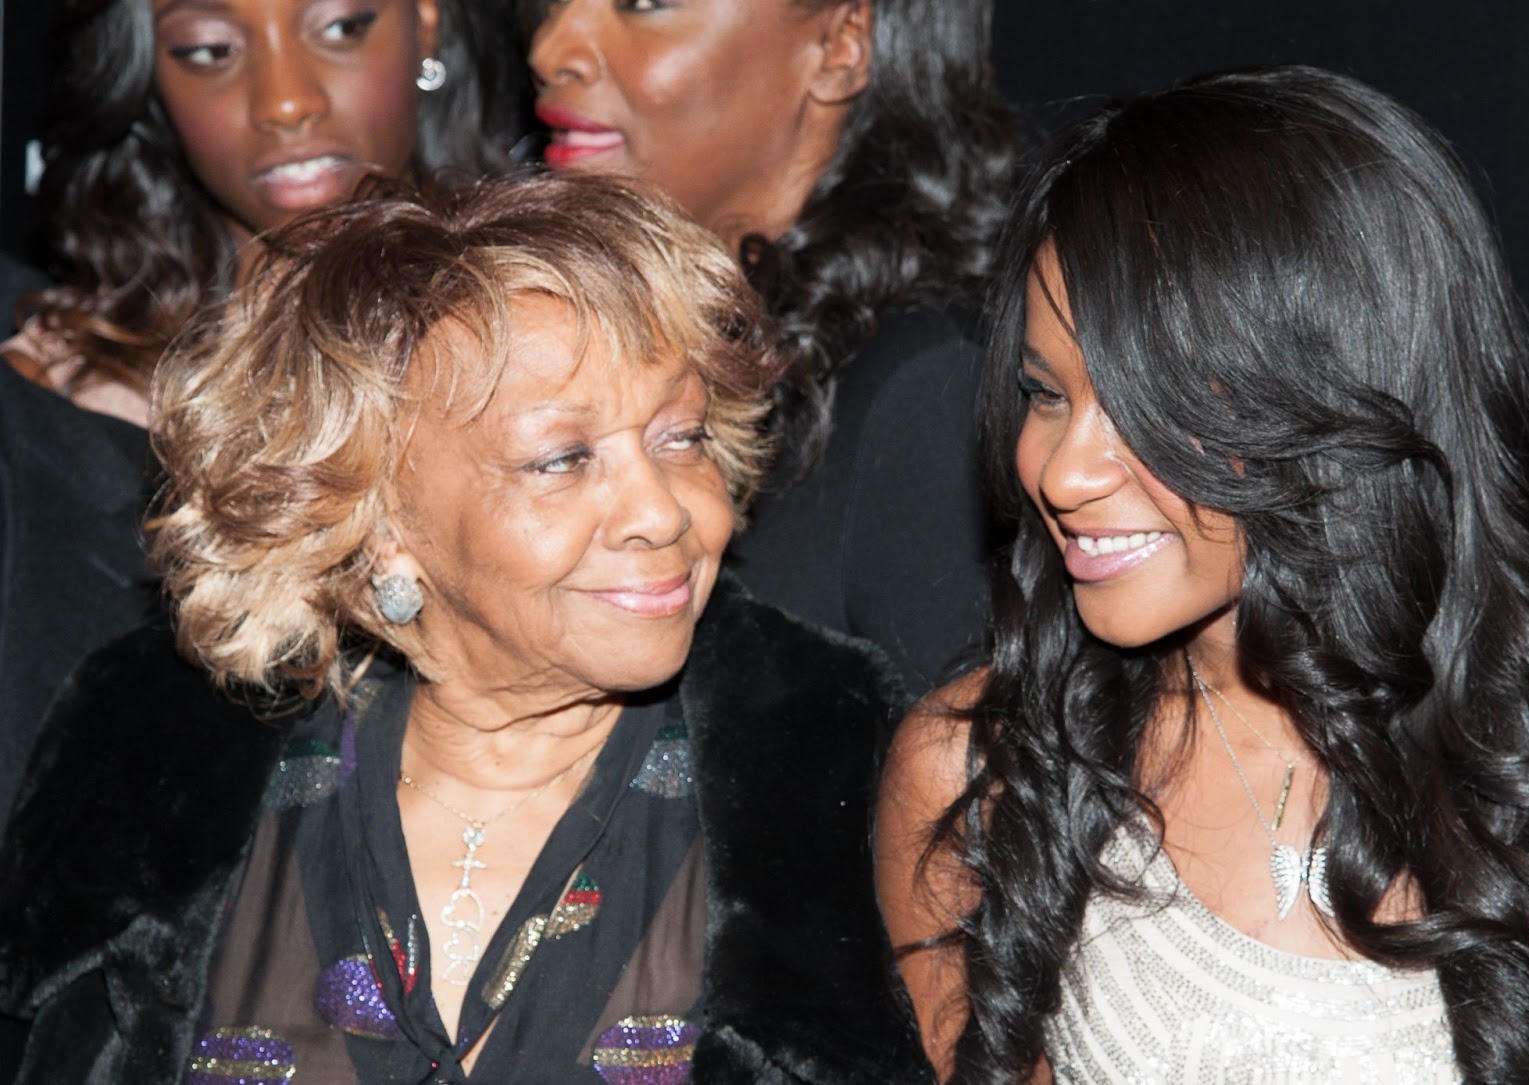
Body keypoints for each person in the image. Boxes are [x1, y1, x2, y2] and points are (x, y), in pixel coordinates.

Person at [0, 173, 934, 1085]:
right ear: (379, 528)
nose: (663, 510)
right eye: (562, 459)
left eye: (679, 436)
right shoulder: (145, 758)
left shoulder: (842, 774)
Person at [875, 65, 1529, 1083]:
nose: (1063, 471)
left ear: (1334, 386)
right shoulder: (981, 777)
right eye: (1044, 394)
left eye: (1147, 401)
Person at [527, 0, 1018, 693]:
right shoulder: (599, 342)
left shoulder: (928, 388)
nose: (551, 50)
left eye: (642, 4)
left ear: (840, 45)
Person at [3, 0, 530, 426]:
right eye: (209, 50)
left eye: (341, 27)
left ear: (426, 21)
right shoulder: (62, 400)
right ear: (148, 76)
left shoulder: (553, 333)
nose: (285, 102)